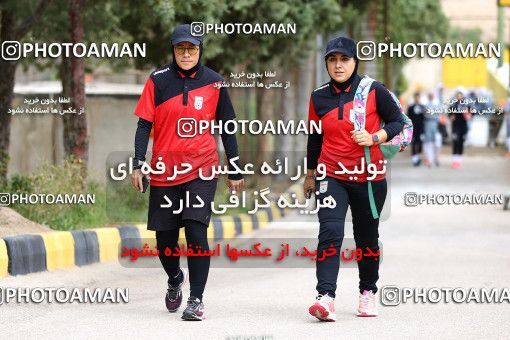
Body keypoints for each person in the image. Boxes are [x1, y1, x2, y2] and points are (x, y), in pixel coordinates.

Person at [131, 24, 244, 321]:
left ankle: (196, 300)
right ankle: (174, 280)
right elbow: (144, 125)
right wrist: (138, 163)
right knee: (165, 240)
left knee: (196, 231)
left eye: (191, 48)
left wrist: (234, 168)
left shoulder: (215, 83)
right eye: (180, 48)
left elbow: (228, 128)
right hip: (165, 171)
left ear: (200, 50)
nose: (185, 54)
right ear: (173, 49)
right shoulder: (157, 81)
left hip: (202, 168)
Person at [304, 36, 404, 321]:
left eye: (344, 60)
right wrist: (310, 174)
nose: (338, 65)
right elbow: (314, 137)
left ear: (354, 62)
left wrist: (374, 137)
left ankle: (368, 293)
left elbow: (397, 121)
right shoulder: (318, 97)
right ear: (326, 63)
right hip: (330, 174)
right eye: (332, 60)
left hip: (368, 177)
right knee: (330, 233)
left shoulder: (373, 91)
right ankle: (325, 297)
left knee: (366, 238)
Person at [448, 89, 472, 169]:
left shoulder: (466, 105)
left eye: (460, 96)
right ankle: (454, 160)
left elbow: (472, 113)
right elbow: (449, 115)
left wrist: (468, 115)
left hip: (463, 127)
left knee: (461, 142)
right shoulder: (453, 105)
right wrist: (451, 117)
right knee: (455, 142)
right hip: (455, 127)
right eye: (458, 96)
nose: (459, 97)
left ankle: (459, 160)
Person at [424, 92, 442, 166]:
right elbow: (426, 114)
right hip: (428, 124)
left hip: (436, 125)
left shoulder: (437, 104)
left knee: (437, 143)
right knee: (429, 143)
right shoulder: (426, 105)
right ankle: (429, 159)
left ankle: (436, 159)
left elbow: (440, 113)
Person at [407, 92, 425, 166]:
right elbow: (408, 118)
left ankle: (418, 157)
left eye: (418, 97)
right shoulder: (410, 107)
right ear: (414, 98)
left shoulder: (423, 107)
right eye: (416, 98)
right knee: (414, 144)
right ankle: (415, 159)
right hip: (413, 128)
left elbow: (424, 118)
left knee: (420, 143)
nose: (417, 99)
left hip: (420, 128)